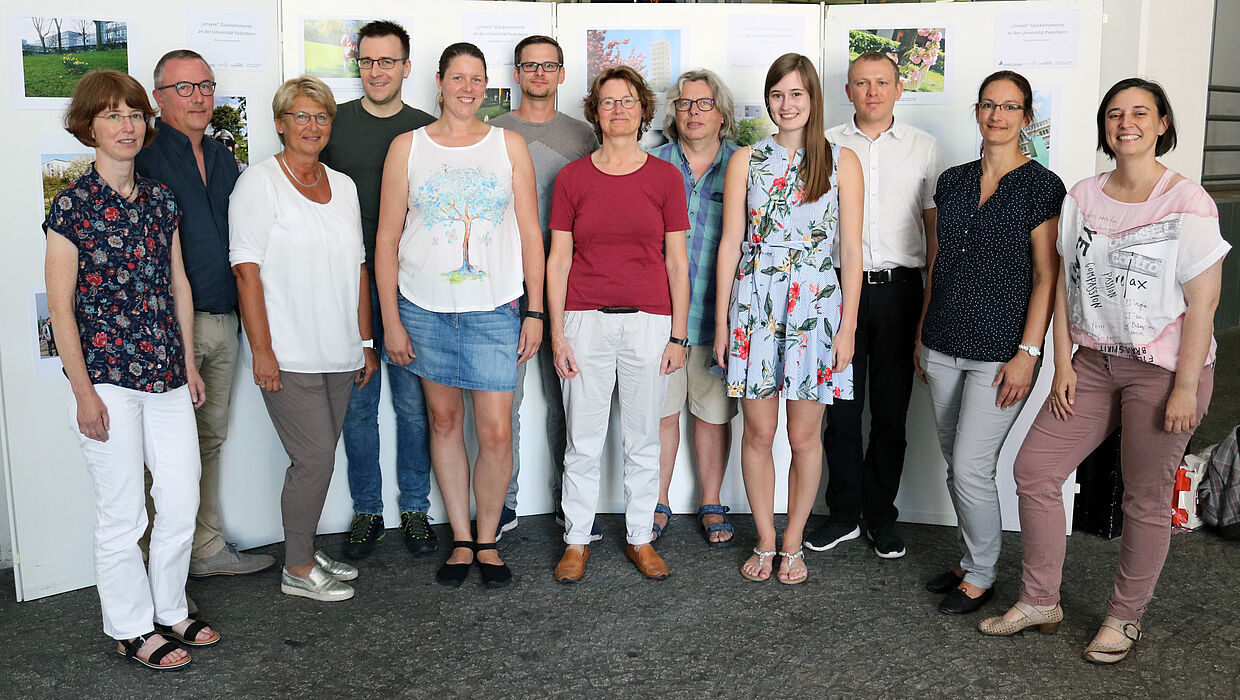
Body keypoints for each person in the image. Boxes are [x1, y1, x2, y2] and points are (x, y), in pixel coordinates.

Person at [979, 78, 1229, 663]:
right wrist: (1062, 362)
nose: (1126, 123)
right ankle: (1041, 599)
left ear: (1163, 124)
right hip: (1091, 362)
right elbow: (1066, 285)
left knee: (1144, 498)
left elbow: (1205, 304)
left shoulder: (1188, 202)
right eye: (1115, 114)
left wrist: (1186, 387)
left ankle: (1125, 617)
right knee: (1035, 469)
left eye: (1140, 113)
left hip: (1163, 372)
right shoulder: (1082, 196)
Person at [45, 69, 219, 670]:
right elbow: (61, 307)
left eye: (134, 114)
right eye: (112, 115)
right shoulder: (70, 205)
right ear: (88, 126)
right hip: (108, 382)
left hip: (168, 375)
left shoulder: (161, 199)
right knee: (124, 513)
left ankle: (170, 608)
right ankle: (128, 626)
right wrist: (82, 391)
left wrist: (189, 361)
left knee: (178, 500)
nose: (127, 125)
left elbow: (177, 283)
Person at [375, 43, 544, 589]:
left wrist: (535, 310)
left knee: (495, 433)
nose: (467, 88)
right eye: (457, 78)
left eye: (476, 79)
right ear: (440, 82)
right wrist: (391, 321)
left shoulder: (507, 145)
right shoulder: (408, 147)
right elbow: (385, 239)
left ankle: (489, 538)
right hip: (422, 308)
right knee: (444, 425)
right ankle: (461, 539)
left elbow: (530, 233)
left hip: (495, 308)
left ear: (487, 84)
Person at [915, 70, 1065, 616]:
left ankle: (982, 574)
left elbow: (1047, 275)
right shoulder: (952, 181)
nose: (997, 115)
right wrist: (920, 335)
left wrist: (1028, 354)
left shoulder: (1042, 184)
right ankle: (971, 556)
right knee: (958, 465)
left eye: (1010, 107)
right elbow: (939, 264)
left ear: (1026, 118)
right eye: (988, 105)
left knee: (973, 465)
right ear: (977, 112)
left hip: (1002, 353)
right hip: (942, 340)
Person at [714, 53, 863, 585]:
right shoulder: (746, 161)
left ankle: (794, 543)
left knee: (805, 436)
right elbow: (730, 244)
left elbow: (851, 252)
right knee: (758, 432)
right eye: (777, 94)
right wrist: (720, 325)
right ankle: (764, 538)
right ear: (768, 100)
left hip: (816, 310)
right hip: (755, 307)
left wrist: (846, 327)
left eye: (797, 93)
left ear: (813, 98)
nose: (787, 104)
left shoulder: (841, 160)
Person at [229, 75, 376, 602]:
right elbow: (246, 272)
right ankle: (295, 568)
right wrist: (262, 351)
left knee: (320, 458)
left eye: (321, 117)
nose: (312, 126)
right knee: (313, 460)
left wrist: (364, 342)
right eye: (301, 117)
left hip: (338, 348)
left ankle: (303, 548)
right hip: (287, 352)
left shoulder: (343, 186)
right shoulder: (259, 184)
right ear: (280, 124)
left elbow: (358, 269)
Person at [136, 49, 275, 582]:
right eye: (184, 88)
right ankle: (162, 573)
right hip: (172, 327)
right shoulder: (145, 156)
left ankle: (205, 548)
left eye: (205, 86)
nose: (198, 97)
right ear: (159, 98)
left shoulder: (222, 156)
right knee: (167, 453)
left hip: (225, 318)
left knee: (208, 440)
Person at [548, 65, 690, 583]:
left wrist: (678, 334)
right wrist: (558, 332)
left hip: (650, 325)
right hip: (584, 321)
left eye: (627, 100)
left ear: (643, 109)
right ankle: (576, 540)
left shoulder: (664, 178)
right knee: (582, 441)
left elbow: (678, 261)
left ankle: (639, 538)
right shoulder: (573, 178)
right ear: (595, 112)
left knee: (642, 440)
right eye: (608, 102)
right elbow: (559, 259)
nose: (618, 109)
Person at [807, 52, 942, 560]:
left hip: (900, 292)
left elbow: (933, 235)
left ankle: (880, 516)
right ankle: (841, 514)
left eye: (882, 82)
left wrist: (930, 301)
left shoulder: (924, 148)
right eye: (862, 83)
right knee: (840, 411)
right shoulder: (827, 146)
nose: (872, 92)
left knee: (890, 412)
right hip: (838, 292)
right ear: (847, 90)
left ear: (898, 88)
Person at [318, 20, 439, 560]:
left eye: (388, 61)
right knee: (358, 411)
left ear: (407, 67)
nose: (377, 71)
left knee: (415, 410)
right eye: (368, 61)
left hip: (412, 289)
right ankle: (368, 510)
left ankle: (415, 507)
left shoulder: (428, 130)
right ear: (358, 65)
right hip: (347, 288)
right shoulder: (333, 125)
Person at [488, 35, 599, 541]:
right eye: (529, 66)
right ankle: (503, 505)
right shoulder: (492, 133)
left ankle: (567, 507)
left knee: (567, 404)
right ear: (516, 72)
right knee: (502, 407)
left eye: (548, 65)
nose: (538, 74)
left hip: (566, 290)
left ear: (560, 72)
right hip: (505, 288)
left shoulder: (584, 136)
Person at [648, 69, 740, 547]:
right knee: (661, 415)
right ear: (673, 113)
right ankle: (658, 501)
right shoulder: (652, 163)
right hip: (661, 318)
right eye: (685, 104)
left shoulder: (743, 166)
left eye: (704, 104)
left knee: (712, 415)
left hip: (719, 317)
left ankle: (711, 501)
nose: (693, 112)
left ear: (722, 113)